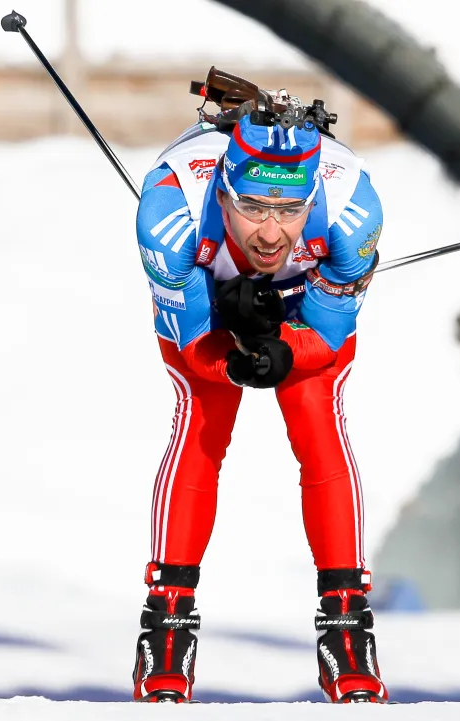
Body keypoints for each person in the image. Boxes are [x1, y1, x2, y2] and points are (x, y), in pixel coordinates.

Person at [129, 96, 387, 704]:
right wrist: (237, 349)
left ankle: (348, 626)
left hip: (307, 292)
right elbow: (196, 351)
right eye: (252, 207)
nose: (271, 232)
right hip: (203, 280)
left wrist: (282, 351)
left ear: (312, 199)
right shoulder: (171, 211)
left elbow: (324, 337)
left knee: (317, 418)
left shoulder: (352, 210)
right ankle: (166, 627)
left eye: (290, 209)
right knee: (202, 415)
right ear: (223, 194)